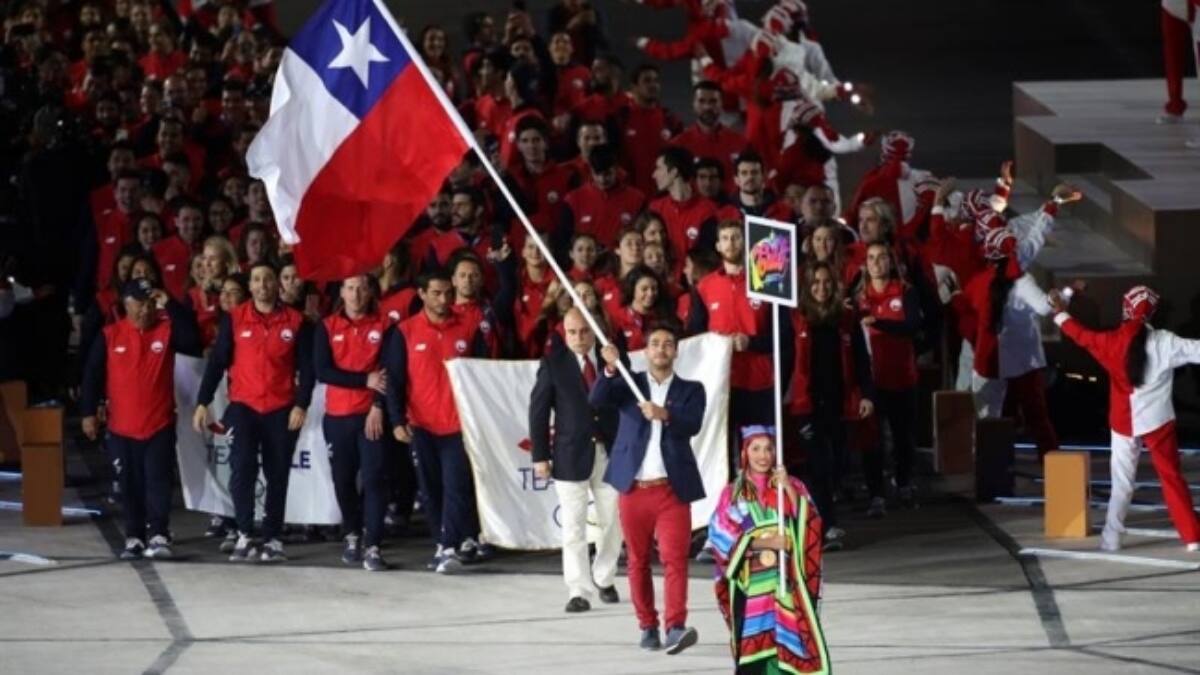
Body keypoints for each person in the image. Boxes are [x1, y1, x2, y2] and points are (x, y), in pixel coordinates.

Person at [1049, 286, 1200, 553]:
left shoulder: (1110, 342)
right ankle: (1192, 537)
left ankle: (1111, 539)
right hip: (1158, 422)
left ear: (1125, 310)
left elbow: (1080, 335)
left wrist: (1060, 313)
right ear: (1153, 313)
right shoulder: (1166, 342)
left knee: (1122, 484)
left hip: (1123, 423)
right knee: (1171, 478)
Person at [591, 321, 705, 654]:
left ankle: (676, 626)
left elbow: (693, 423)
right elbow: (597, 398)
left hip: (672, 489)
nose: (661, 349)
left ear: (676, 350)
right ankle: (647, 626)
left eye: (668, 343)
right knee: (638, 560)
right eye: (655, 343)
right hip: (633, 488)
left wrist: (664, 413)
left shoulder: (691, 389)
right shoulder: (630, 383)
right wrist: (611, 368)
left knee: (675, 559)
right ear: (646, 349)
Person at [194, 262, 315, 563]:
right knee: (242, 470)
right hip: (244, 408)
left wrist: (301, 404)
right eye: (257, 280)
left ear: (279, 285)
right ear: (250, 286)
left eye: (268, 279)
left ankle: (273, 539)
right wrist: (202, 402)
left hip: (281, 409)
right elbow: (218, 362)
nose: (263, 285)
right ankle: (245, 534)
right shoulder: (235, 319)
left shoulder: (296, 321)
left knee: (277, 476)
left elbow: (308, 369)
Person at [80, 278, 201, 560]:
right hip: (122, 428)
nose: (145, 310)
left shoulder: (167, 330)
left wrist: (169, 302)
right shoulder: (110, 335)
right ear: (126, 304)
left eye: (149, 304)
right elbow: (92, 375)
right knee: (130, 484)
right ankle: (134, 536)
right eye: (138, 304)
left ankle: (159, 533)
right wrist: (88, 412)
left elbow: (192, 340)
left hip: (158, 424)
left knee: (158, 481)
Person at [386, 271, 489, 574]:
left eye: (447, 293)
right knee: (431, 489)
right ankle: (445, 542)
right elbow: (394, 380)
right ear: (421, 294)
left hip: (459, 425)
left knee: (456, 485)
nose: (443, 299)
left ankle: (449, 545)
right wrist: (396, 419)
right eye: (436, 293)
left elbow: (482, 372)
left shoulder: (469, 327)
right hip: (421, 425)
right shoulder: (405, 331)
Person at [709, 427, 830, 674]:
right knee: (754, 657)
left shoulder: (792, 485)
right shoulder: (733, 493)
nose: (763, 455)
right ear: (745, 452)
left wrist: (788, 488)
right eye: (756, 449)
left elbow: (812, 524)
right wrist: (765, 543)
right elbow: (720, 536)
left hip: (787, 584)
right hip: (750, 588)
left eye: (768, 448)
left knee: (791, 649)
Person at [529, 308, 622, 612]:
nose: (578, 338)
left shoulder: (613, 359)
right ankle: (578, 590)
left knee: (612, 520)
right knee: (573, 527)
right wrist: (540, 455)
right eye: (572, 332)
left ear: (594, 331)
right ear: (563, 333)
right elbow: (539, 411)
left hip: (609, 451)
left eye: (584, 331)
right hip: (570, 455)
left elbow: (629, 396)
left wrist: (615, 367)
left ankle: (604, 577)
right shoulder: (553, 364)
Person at [788, 262, 874, 550]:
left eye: (826, 282)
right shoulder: (796, 319)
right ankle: (824, 527)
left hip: (839, 405)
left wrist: (866, 395)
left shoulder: (846, 318)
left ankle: (821, 522)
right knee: (818, 467)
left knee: (838, 465)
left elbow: (862, 361)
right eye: (816, 283)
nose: (821, 288)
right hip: (807, 406)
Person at [313, 275, 392, 572]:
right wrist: (363, 379)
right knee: (343, 481)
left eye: (361, 287)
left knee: (374, 479)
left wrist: (377, 405)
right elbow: (323, 371)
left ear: (370, 290)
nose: (356, 293)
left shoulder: (384, 325)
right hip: (337, 418)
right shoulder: (327, 326)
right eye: (350, 288)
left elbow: (388, 372)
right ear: (342, 293)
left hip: (371, 416)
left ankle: (373, 545)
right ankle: (352, 534)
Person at [856, 242, 922, 516]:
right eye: (871, 258)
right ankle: (875, 495)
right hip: (873, 379)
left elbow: (912, 326)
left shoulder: (905, 291)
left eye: (882, 257)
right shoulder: (860, 295)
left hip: (902, 377)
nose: (876, 262)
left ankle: (904, 484)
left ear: (891, 261)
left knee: (902, 436)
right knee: (872, 440)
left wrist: (879, 323)